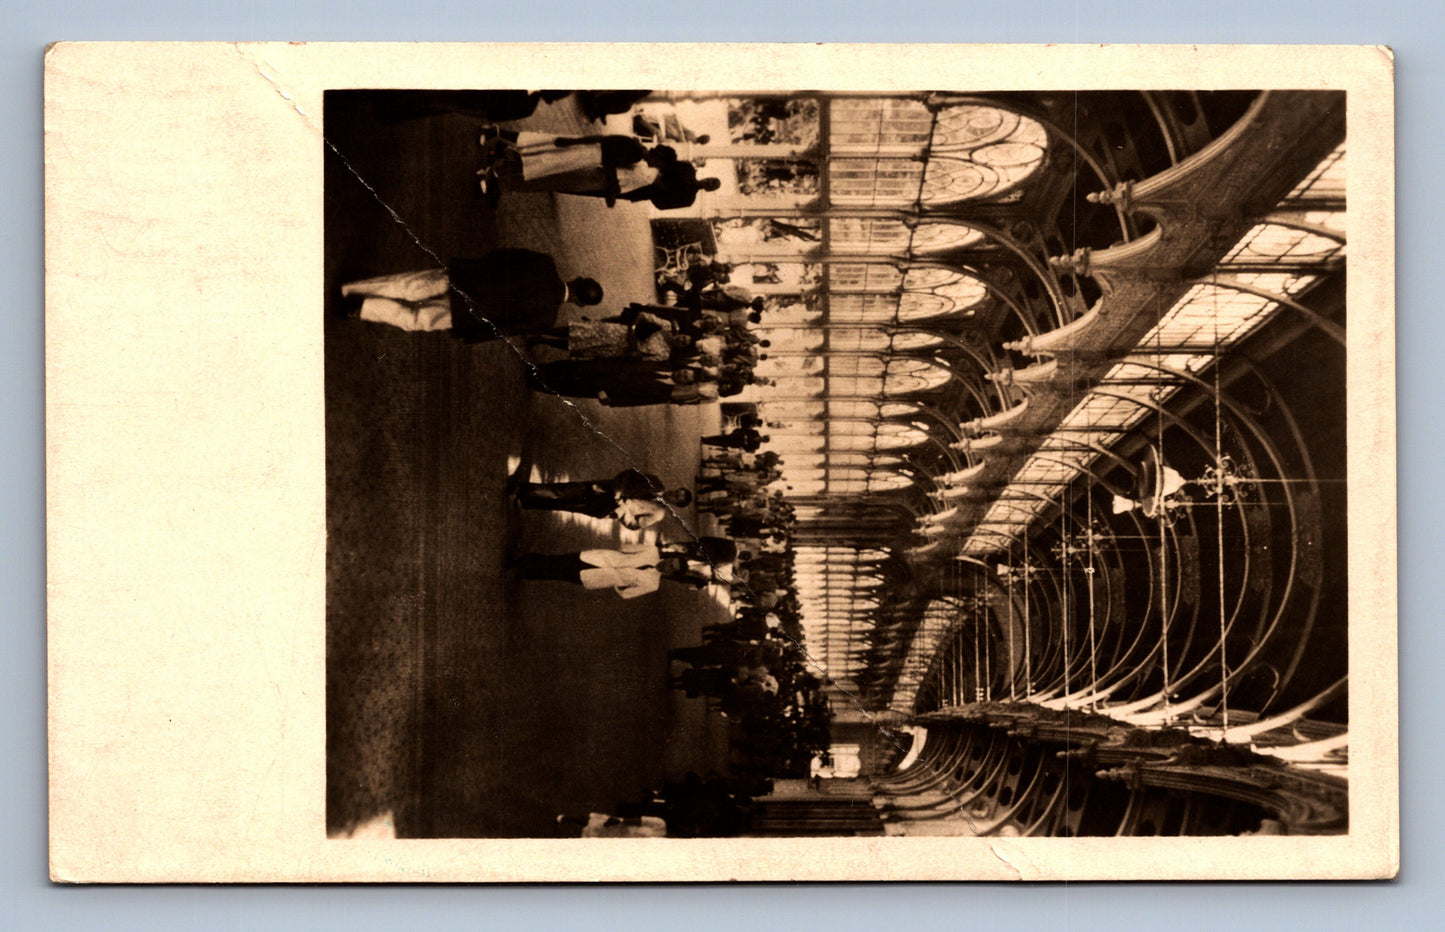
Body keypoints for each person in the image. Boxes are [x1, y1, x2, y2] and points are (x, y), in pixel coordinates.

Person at [338, 248, 603, 340]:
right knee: (415, 319)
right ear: (578, 303)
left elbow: (503, 255)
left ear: (576, 279)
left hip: (468, 277)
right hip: (470, 313)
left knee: (407, 285)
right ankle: (361, 309)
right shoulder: (547, 318)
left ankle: (351, 289)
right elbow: (503, 329)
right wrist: (472, 331)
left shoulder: (546, 263)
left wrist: (480, 266)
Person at [511, 468, 693, 530]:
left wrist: (623, 511)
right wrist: (618, 489)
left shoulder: (658, 514)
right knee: (564, 491)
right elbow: (628, 473)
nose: (674, 495)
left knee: (568, 506)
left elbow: (635, 525)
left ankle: (529, 502)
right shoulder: (654, 481)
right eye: (678, 491)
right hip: (604, 488)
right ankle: (523, 488)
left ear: (676, 505)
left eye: (677, 498)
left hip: (607, 509)